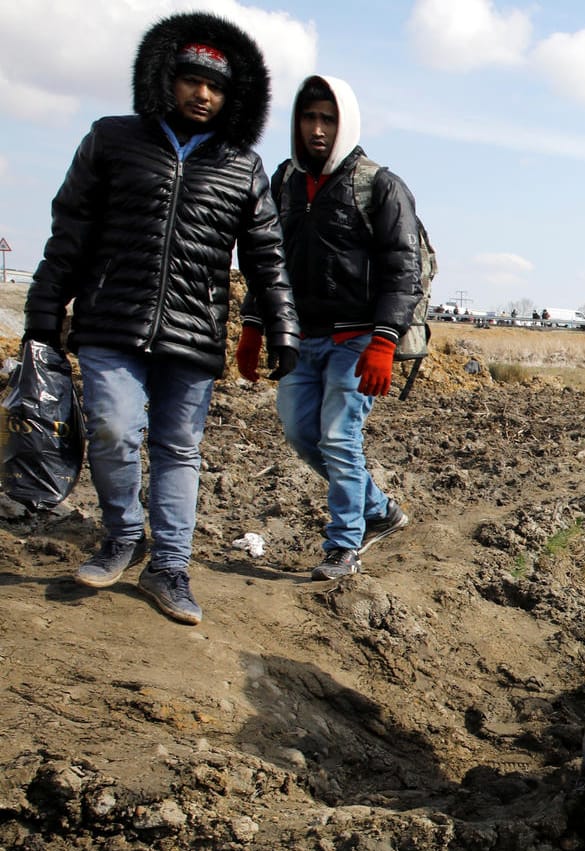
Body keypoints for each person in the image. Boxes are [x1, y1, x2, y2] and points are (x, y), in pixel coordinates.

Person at [22, 13, 298, 625]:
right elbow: (69, 233)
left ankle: (169, 568)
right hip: (109, 321)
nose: (202, 94)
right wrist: (45, 311)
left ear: (235, 97)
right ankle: (123, 536)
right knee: (115, 430)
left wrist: (282, 325)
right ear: (163, 78)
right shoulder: (111, 139)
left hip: (192, 332)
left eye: (216, 87)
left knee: (179, 448)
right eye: (191, 79)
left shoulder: (242, 167)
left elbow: (266, 255)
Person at [239, 75, 418, 579]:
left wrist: (384, 340)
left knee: (339, 438)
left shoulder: (379, 185)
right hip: (300, 338)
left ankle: (343, 544)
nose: (317, 129)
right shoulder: (282, 182)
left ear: (346, 123)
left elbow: (404, 268)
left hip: (357, 338)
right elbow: (265, 261)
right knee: (302, 434)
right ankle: (379, 509)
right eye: (309, 117)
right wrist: (255, 324)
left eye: (328, 118)